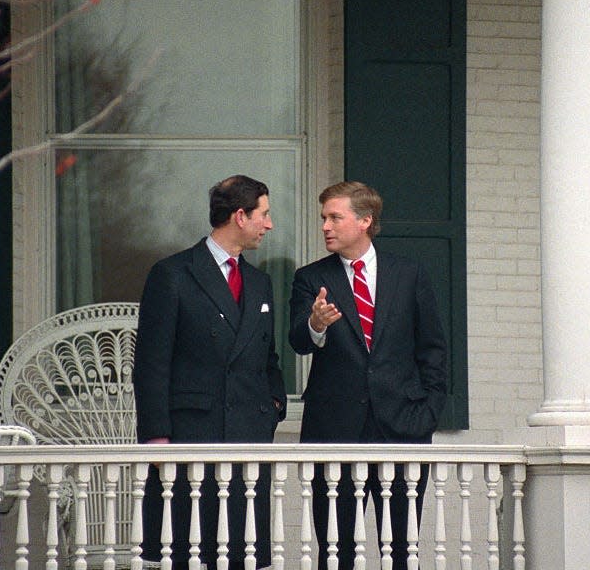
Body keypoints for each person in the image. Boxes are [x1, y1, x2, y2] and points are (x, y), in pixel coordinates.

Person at [289, 181, 448, 570]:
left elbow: (433, 350)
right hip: (334, 430)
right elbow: (298, 341)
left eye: (334, 217)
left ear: (364, 221)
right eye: (323, 217)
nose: (325, 225)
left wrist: (428, 413)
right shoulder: (311, 278)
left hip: (403, 428)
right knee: (336, 550)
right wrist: (315, 324)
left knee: (401, 551)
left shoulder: (408, 273)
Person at [134, 174, 288, 569]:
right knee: (187, 551)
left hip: (248, 437)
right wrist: (155, 435)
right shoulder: (173, 274)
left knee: (244, 553)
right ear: (240, 215)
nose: (269, 225)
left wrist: (273, 404)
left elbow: (267, 357)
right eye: (264, 214)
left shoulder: (259, 282)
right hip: (192, 435)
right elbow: (151, 363)